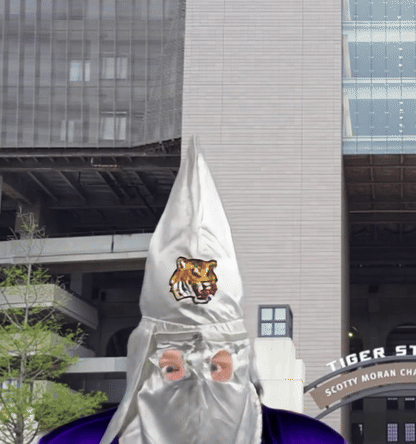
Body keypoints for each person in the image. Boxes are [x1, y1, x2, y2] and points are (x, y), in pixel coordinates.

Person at [40, 142, 346, 444]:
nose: (196, 382)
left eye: (217, 367)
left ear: (243, 368)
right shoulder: (75, 442)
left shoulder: (307, 440)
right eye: (172, 367)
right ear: (145, 370)